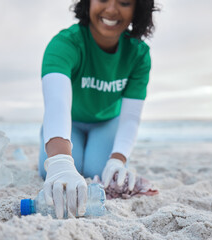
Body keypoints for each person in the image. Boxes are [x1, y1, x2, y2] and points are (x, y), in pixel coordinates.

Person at [39, 0, 159, 218]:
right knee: (50, 169)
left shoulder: (139, 54)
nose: (111, 9)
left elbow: (131, 116)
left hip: (106, 122)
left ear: (138, 9)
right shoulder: (64, 44)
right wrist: (60, 160)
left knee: (98, 170)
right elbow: (57, 102)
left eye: (124, 2)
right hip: (70, 121)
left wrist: (118, 159)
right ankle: (48, 139)